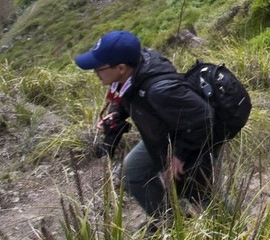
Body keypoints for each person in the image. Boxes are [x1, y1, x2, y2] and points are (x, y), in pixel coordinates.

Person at [75, 30, 216, 226]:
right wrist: (117, 113)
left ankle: (241, 229)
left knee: (201, 192)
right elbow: (124, 93)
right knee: (134, 173)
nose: (95, 72)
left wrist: (180, 155)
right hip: (160, 135)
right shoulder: (130, 72)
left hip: (190, 138)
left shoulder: (159, 90)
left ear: (121, 67)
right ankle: (173, 222)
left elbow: (204, 117)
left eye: (99, 67)